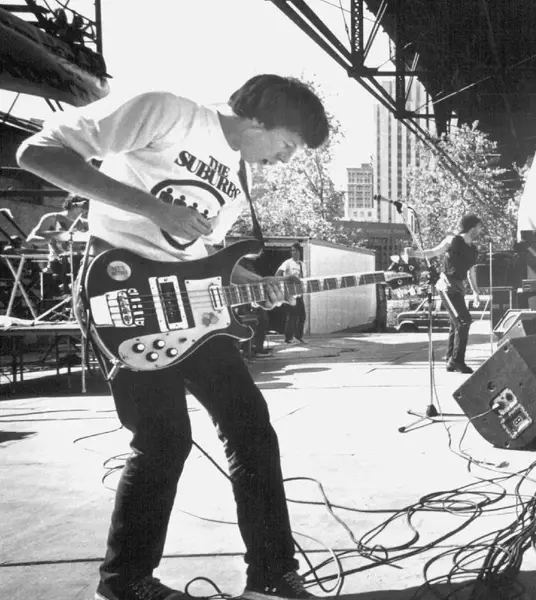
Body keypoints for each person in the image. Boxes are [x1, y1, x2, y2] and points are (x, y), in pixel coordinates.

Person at [17, 74, 329, 600]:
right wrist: (155, 208)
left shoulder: (236, 175)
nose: (285, 159)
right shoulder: (168, 112)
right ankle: (124, 583)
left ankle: (272, 577)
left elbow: (203, 262)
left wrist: (258, 286)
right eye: (287, 144)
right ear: (259, 119)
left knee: (251, 427)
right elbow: (36, 151)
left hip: (191, 314)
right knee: (163, 439)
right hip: (122, 295)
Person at [405, 214, 484, 373]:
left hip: (459, 287)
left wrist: (476, 292)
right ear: (472, 227)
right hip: (446, 285)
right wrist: (413, 254)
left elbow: (471, 272)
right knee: (464, 321)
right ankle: (457, 360)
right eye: (479, 227)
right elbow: (432, 252)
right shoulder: (452, 240)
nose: (481, 230)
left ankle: (450, 360)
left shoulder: (473, 249)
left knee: (456, 323)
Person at [276, 243, 306, 344]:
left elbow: (303, 278)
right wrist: (284, 285)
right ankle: (288, 338)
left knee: (302, 316)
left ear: (299, 252)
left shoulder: (302, 264)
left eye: (295, 250)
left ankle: (298, 336)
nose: (293, 252)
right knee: (292, 316)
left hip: (299, 293)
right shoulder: (287, 263)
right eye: (292, 250)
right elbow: (277, 274)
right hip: (289, 294)